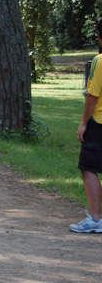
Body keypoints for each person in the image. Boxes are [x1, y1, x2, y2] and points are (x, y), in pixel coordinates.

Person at [72, 19, 102, 233]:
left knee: (89, 167)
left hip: (99, 122)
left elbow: (92, 96)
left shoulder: (100, 61)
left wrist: (83, 123)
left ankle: (95, 218)